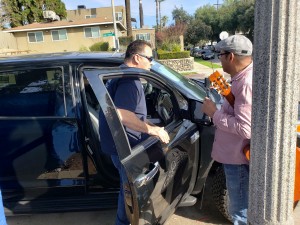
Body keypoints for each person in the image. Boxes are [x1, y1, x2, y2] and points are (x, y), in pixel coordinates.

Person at [99, 39, 170, 225]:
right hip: (124, 148)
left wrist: (150, 126)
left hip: (117, 145)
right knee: (129, 192)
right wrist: (153, 130)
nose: (152, 62)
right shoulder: (130, 80)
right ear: (137, 58)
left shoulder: (120, 74)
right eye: (150, 57)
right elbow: (123, 115)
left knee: (127, 189)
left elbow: (132, 114)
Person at [202, 35, 253, 225]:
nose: (219, 59)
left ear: (230, 56)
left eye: (220, 55)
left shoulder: (246, 84)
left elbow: (245, 128)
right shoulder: (241, 79)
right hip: (235, 156)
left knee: (239, 213)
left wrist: (214, 113)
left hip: (237, 159)